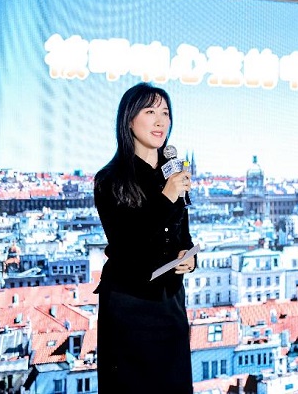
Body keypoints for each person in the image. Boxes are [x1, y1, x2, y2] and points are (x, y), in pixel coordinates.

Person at [93, 82, 196, 393]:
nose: (160, 120)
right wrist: (166, 197)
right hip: (129, 305)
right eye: (150, 111)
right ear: (129, 119)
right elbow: (127, 244)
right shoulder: (110, 179)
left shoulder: (172, 174)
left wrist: (188, 258)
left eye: (165, 113)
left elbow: (182, 236)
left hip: (170, 304)